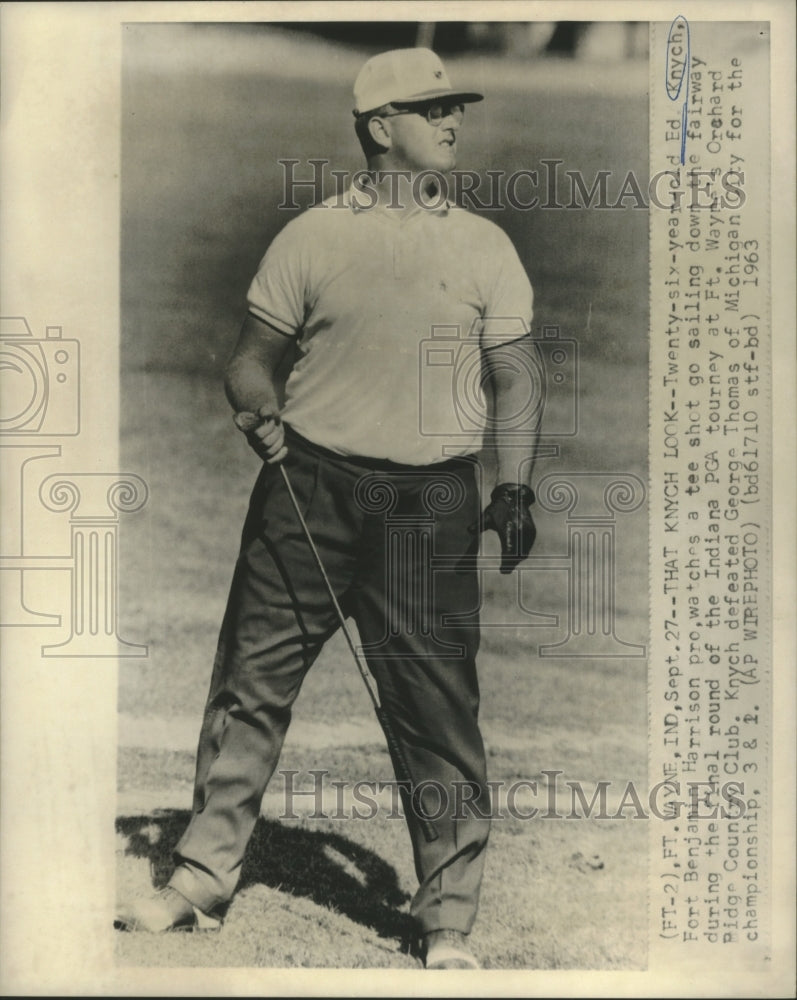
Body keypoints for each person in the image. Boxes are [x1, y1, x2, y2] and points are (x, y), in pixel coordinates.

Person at [117, 46, 540, 971]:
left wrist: (512, 485)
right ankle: (200, 877)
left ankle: (445, 921)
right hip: (306, 489)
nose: (452, 122)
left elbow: (515, 380)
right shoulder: (309, 237)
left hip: (428, 507)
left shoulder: (484, 247)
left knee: (437, 713)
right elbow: (248, 362)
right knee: (250, 685)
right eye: (432, 110)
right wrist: (254, 410)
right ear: (379, 127)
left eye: (455, 107)